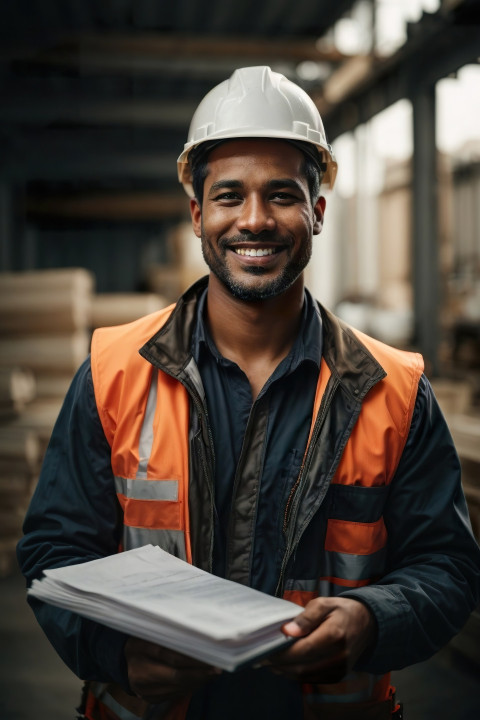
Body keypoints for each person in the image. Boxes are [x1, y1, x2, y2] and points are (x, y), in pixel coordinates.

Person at [17, 66, 480, 720]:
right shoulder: (111, 372)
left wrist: (371, 621)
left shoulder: (395, 391)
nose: (254, 220)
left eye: (282, 195)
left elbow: (449, 569)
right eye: (230, 195)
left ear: (317, 212)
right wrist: (113, 653)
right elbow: (52, 549)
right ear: (197, 212)